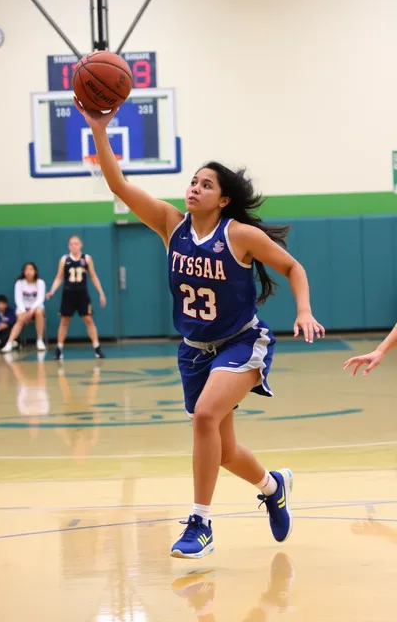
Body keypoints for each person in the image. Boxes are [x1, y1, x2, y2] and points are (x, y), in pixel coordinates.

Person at [75, 98, 325, 559]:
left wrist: (304, 310)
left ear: (223, 198)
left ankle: (201, 525)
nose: (194, 188)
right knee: (224, 451)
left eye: (205, 184)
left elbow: (293, 267)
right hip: (194, 350)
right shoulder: (171, 224)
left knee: (206, 417)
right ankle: (273, 487)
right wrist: (99, 129)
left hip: (242, 342)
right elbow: (118, 184)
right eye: (192, 181)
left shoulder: (239, 235)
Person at [46, 235, 106, 360]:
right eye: (72, 244)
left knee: (89, 320)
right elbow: (59, 277)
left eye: (76, 243)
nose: (74, 246)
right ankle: (59, 349)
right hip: (68, 294)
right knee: (64, 321)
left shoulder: (87, 259)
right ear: (68, 246)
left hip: (82, 294)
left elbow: (93, 276)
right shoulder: (64, 259)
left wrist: (101, 292)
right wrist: (51, 291)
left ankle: (97, 348)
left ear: (81, 245)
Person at [1, 262, 46, 353]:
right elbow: (18, 299)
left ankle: (40, 340)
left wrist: (31, 310)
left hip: (36, 307)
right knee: (20, 319)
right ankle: (9, 343)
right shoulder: (19, 283)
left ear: (35, 271)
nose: (29, 272)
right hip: (23, 308)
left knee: (39, 312)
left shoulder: (40, 282)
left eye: (31, 269)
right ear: (24, 272)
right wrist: (24, 311)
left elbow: (40, 299)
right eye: (26, 270)